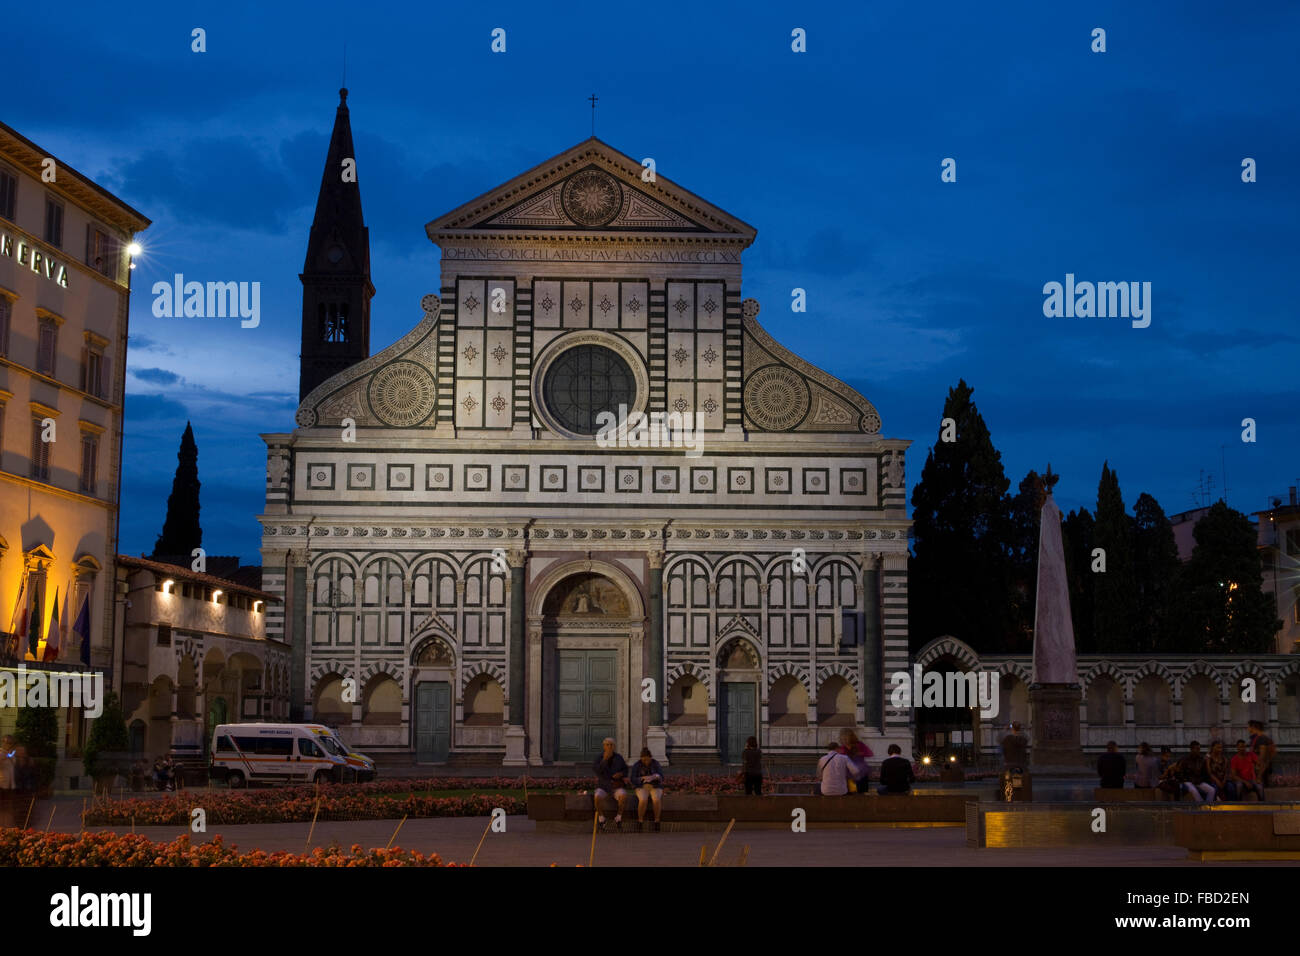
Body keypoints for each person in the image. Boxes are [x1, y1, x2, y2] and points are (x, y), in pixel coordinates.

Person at [592, 737, 629, 831]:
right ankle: (601, 818)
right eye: (607, 745)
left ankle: (618, 818)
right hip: (603, 786)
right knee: (597, 797)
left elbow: (625, 770)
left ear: (614, 747)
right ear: (604, 746)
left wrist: (621, 774)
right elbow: (597, 770)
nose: (609, 746)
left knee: (623, 796)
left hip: (616, 786)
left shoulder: (619, 757)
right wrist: (604, 760)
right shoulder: (599, 758)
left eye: (611, 745)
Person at [628, 747, 665, 831]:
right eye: (644, 760)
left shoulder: (655, 763)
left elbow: (661, 776)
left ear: (650, 758)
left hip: (655, 786)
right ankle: (640, 821)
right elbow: (633, 778)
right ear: (641, 758)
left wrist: (656, 777)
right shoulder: (637, 765)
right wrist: (641, 778)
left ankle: (657, 821)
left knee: (656, 799)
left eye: (647, 760)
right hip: (642, 786)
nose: (646, 762)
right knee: (643, 799)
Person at [837, 729, 871, 794]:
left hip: (860, 773)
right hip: (848, 775)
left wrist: (860, 753)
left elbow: (869, 753)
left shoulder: (860, 745)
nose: (844, 740)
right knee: (850, 794)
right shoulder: (842, 748)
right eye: (843, 738)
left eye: (845, 738)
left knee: (861, 793)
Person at [1248, 720, 1276, 788]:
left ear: (1254, 727)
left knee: (1262, 790)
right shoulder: (1258, 738)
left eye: (1249, 727)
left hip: (1261, 771)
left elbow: (1262, 758)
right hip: (1260, 770)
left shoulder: (1261, 738)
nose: (1248, 729)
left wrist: (1259, 775)